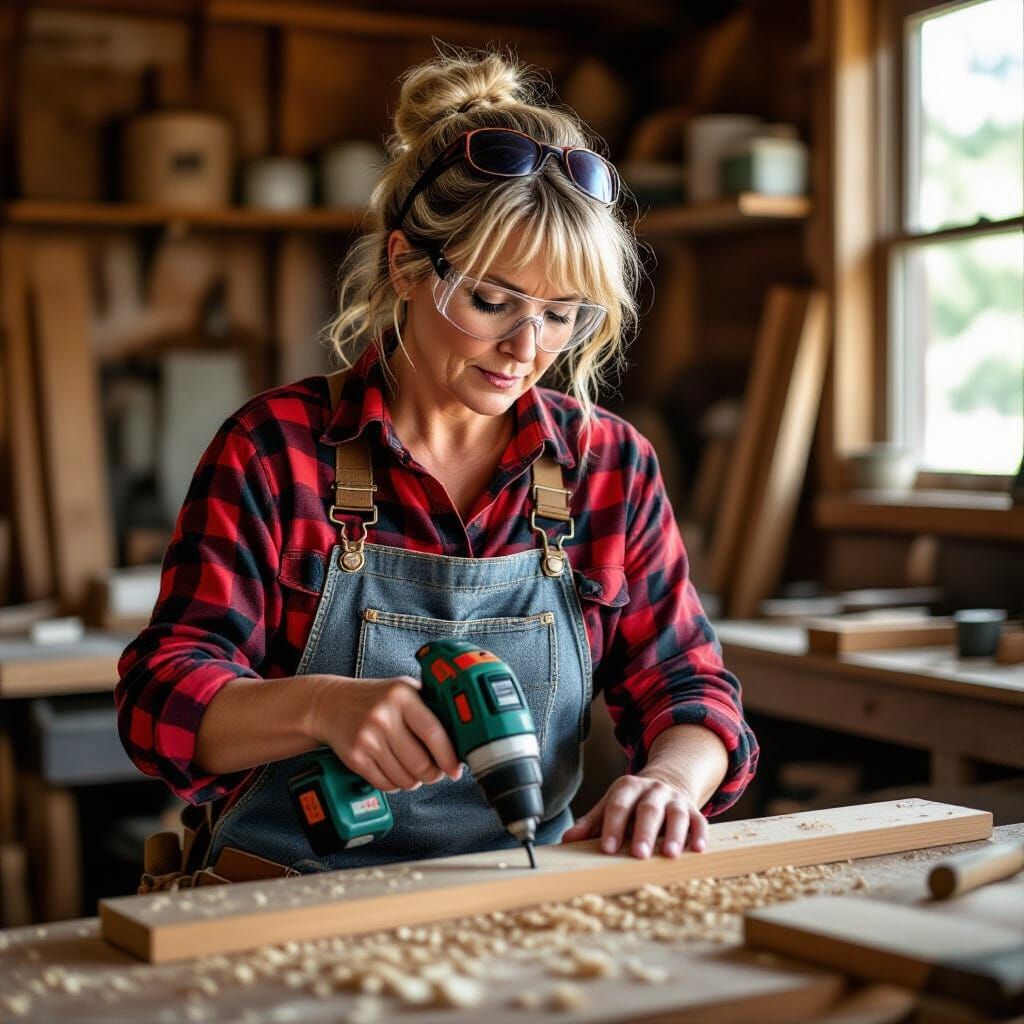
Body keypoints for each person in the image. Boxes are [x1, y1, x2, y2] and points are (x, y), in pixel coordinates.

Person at [116, 48, 758, 883]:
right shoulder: (276, 449)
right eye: (492, 301)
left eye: (561, 315)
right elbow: (158, 701)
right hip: (279, 900)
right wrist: (320, 706)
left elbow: (690, 688)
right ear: (404, 264)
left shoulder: (609, 467)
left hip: (514, 895)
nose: (526, 349)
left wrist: (671, 780)